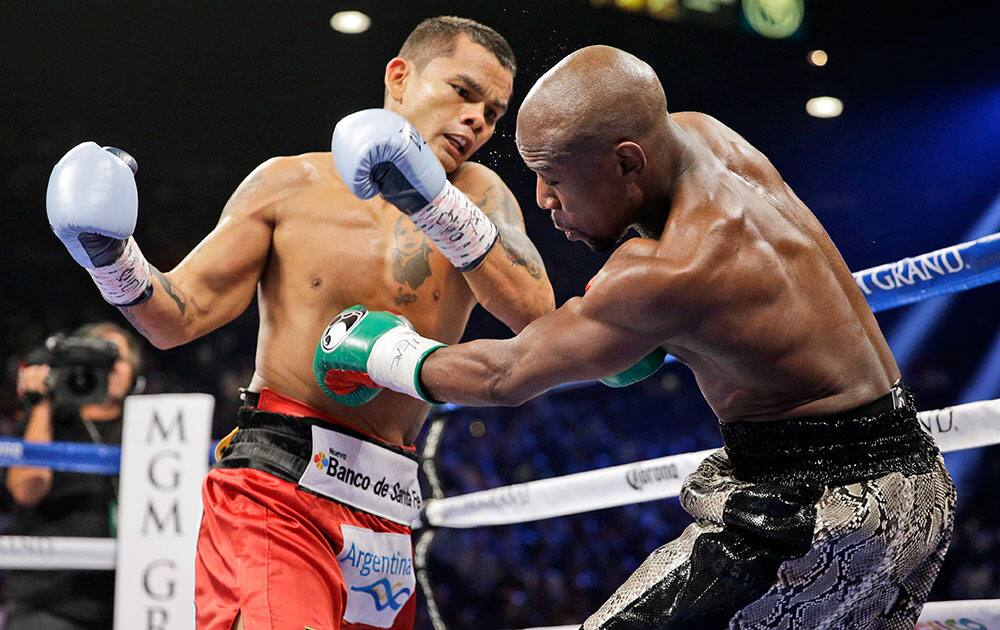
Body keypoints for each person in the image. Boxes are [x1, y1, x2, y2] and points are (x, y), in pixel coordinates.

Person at [315, 46, 956, 629]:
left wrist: (380, 350)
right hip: (901, 485)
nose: (542, 199)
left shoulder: (672, 271)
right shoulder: (702, 135)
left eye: (555, 177)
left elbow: (503, 377)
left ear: (627, 161)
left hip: (821, 511)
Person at [44, 16, 554, 630]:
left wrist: (433, 203)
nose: (477, 119)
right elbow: (178, 317)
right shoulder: (289, 184)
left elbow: (537, 318)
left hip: (387, 510)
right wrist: (111, 258)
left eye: (493, 112)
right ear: (400, 78)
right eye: (463, 92)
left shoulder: (480, 197)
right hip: (277, 485)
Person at [4, 322, 141, 630]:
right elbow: (26, 490)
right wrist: (41, 404)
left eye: (117, 358)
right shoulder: (50, 420)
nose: (110, 368)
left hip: (128, 602)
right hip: (48, 601)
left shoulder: (149, 427)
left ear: (134, 372)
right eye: (99, 358)